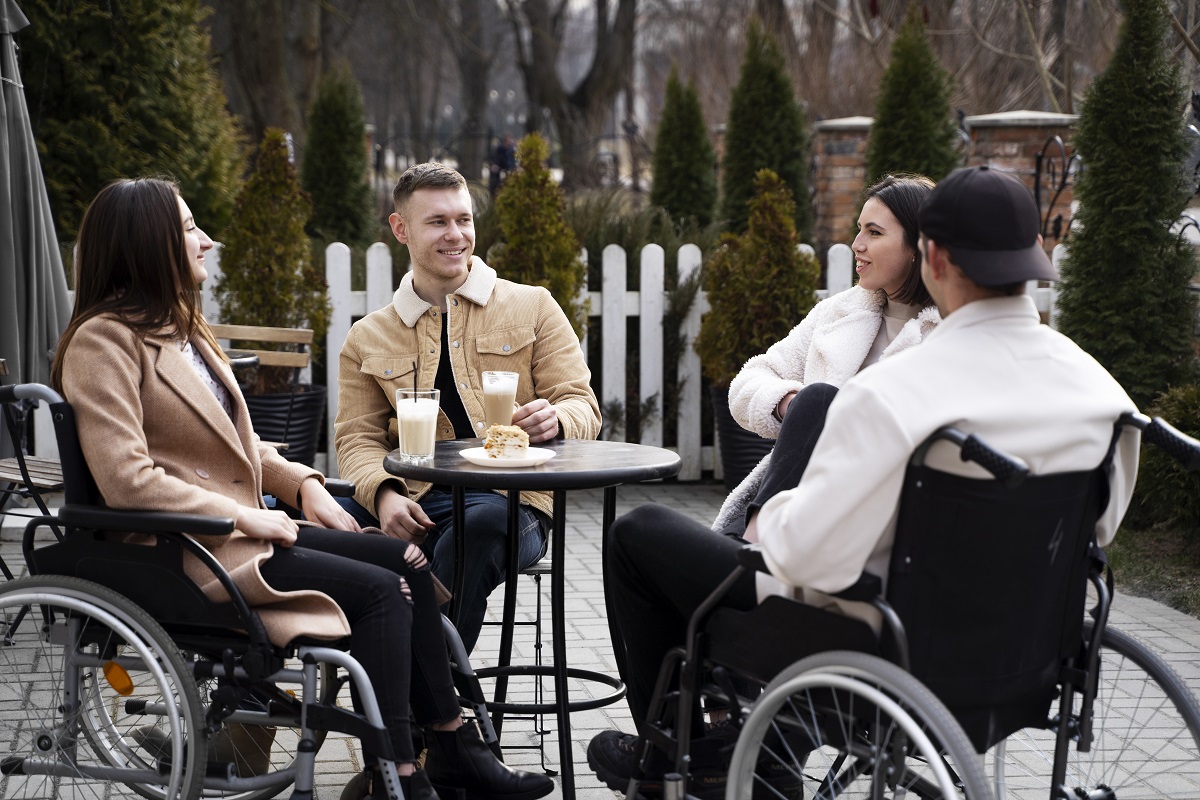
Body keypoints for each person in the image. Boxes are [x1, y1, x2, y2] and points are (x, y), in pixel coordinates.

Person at [587, 165, 1141, 799]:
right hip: (1025, 646)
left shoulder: (895, 392)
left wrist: (776, 516)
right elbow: (1097, 528)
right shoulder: (1103, 394)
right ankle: (736, 749)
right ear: (1034, 261)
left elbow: (805, 559)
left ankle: (689, 753)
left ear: (931, 254)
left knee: (639, 533)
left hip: (879, 644)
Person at [51, 178, 553, 800]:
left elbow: (240, 451)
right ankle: (397, 769)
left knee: (408, 561)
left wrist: (305, 486)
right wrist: (244, 518)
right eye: (188, 228)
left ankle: (451, 743)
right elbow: (127, 481)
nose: (207, 240)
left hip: (235, 534)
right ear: (147, 243)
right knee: (382, 590)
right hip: (187, 550)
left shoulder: (183, 333)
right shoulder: (103, 342)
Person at [335, 161, 601, 653]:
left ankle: (426, 701)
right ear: (401, 229)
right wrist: (384, 496)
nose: (455, 235)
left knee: (473, 531)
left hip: (507, 502)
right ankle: (253, 703)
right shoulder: (368, 335)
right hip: (412, 497)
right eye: (437, 222)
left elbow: (583, 405)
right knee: (287, 515)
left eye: (464, 220)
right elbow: (356, 440)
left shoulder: (533, 306)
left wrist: (557, 419)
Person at [713, 175, 941, 536]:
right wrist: (793, 405)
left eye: (874, 233)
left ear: (918, 245)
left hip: (864, 525)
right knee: (637, 532)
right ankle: (755, 539)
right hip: (788, 500)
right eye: (858, 230)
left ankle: (755, 545)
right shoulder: (841, 312)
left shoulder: (946, 335)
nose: (856, 244)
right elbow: (749, 380)